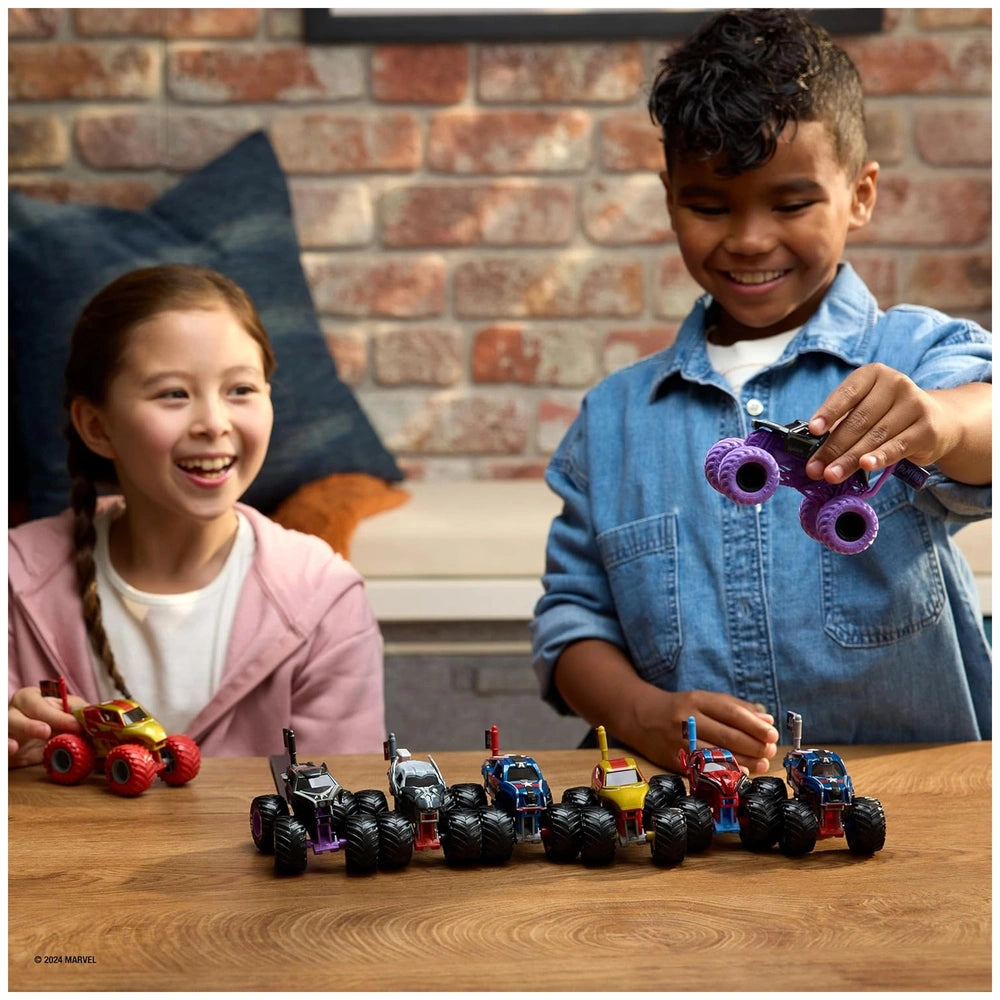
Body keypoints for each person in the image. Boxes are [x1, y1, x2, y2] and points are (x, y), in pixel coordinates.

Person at [531, 8, 992, 774]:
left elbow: (987, 419)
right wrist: (640, 713)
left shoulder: (909, 354)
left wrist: (938, 422)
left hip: (916, 806)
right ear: (669, 196)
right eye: (709, 206)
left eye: (790, 204)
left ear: (861, 195)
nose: (748, 239)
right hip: (697, 815)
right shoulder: (614, 419)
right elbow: (572, 620)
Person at [9, 263, 385, 765]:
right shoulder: (15, 578)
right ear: (96, 426)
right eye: (173, 394)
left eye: (241, 390)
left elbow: (344, 799)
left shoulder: (326, 598)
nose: (213, 422)